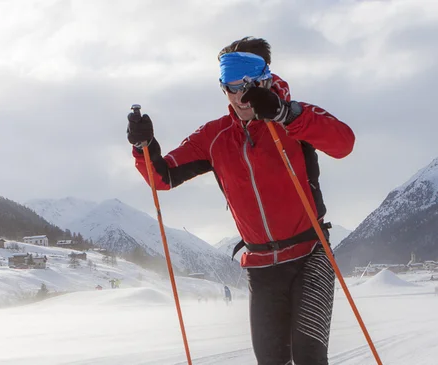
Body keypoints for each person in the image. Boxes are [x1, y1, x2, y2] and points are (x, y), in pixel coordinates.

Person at [126, 37, 355, 365]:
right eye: (230, 86)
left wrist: (286, 114)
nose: (239, 96)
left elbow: (344, 143)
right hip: (261, 268)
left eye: (247, 85)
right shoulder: (215, 136)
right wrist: (144, 146)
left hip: (310, 255)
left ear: (264, 80)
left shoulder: (293, 118)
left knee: (309, 357)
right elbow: (162, 177)